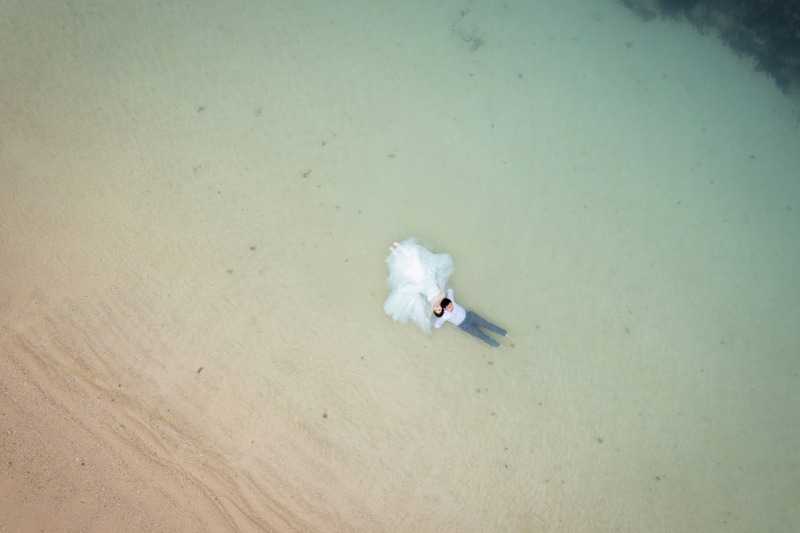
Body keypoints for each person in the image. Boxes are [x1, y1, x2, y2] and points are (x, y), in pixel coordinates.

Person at [384, 238, 454, 334]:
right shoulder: (442, 295)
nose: (437, 307)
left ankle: (395, 252)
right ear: (442, 307)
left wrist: (428, 324)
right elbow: (443, 283)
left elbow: (429, 315)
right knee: (416, 261)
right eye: (439, 309)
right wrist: (446, 278)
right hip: (428, 278)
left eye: (436, 310)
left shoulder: (433, 304)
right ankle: (400, 248)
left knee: (409, 271)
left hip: (421, 285)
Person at [433, 288, 513, 348]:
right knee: (483, 336)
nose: (452, 307)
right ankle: (501, 346)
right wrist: (431, 332)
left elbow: (450, 290)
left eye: (451, 305)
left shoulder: (449, 300)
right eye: (449, 307)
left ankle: (506, 334)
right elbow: (437, 324)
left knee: (488, 325)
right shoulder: (443, 316)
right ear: (444, 309)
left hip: (470, 316)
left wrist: (447, 278)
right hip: (465, 326)